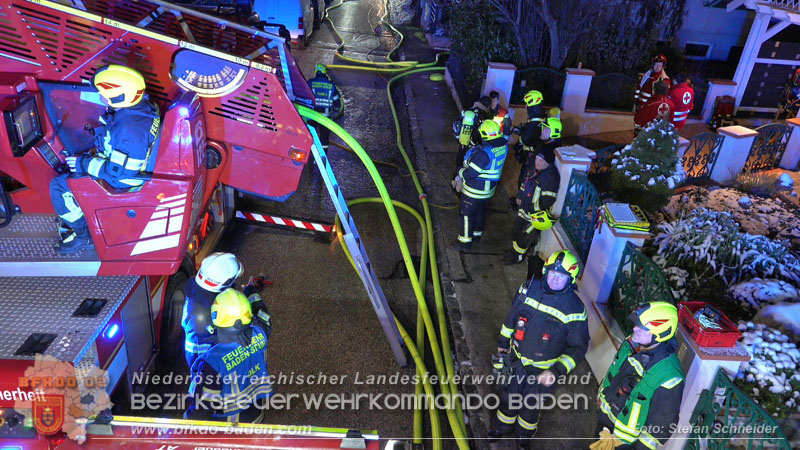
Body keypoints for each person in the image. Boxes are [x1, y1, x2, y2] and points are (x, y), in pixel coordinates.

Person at [50, 64, 161, 254]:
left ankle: (83, 235)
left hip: (122, 181)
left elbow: (118, 173)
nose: (100, 96)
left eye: (103, 93)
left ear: (118, 96)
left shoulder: (128, 131)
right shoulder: (141, 108)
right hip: (125, 168)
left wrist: (83, 163)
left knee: (59, 186)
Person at [489, 250, 589, 450]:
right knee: (509, 397)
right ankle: (501, 427)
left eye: (561, 276)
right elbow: (512, 318)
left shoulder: (575, 309)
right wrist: (502, 343)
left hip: (544, 372)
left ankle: (523, 436)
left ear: (570, 280)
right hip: (516, 362)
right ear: (545, 270)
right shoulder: (528, 288)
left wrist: (556, 371)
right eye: (551, 273)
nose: (554, 279)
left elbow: (578, 348)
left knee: (530, 407)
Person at [596, 302, 685, 450]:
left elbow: (660, 426)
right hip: (604, 424)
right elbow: (614, 372)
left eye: (642, 327)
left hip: (623, 444)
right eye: (636, 324)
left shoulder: (669, 376)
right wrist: (600, 398)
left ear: (660, 333)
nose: (634, 328)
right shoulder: (632, 344)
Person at [185, 288, 273, 423]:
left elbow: (203, 409)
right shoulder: (260, 333)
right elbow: (263, 315)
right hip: (257, 415)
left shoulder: (211, 362)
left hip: (231, 428)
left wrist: (186, 425)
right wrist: (252, 292)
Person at [182, 252, 271, 369]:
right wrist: (251, 293)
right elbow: (263, 325)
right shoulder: (213, 316)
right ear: (223, 284)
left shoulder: (196, 292)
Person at [503, 139, 560, 268]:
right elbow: (525, 183)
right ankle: (513, 252)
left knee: (525, 236)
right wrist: (520, 196)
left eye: (541, 161)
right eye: (537, 159)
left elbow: (547, 200)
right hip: (524, 208)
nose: (537, 162)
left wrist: (533, 209)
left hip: (534, 215)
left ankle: (517, 257)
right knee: (517, 230)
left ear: (548, 163)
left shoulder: (551, 178)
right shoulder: (535, 169)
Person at [454, 120, 508, 249]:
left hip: (474, 190)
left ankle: (464, 242)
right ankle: (477, 235)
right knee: (479, 212)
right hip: (488, 190)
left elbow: (471, 173)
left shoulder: (484, 154)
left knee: (466, 213)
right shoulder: (503, 146)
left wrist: (460, 172)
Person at [510, 90, 548, 194]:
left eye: (527, 104)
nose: (526, 107)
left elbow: (526, 139)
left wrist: (518, 144)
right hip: (535, 154)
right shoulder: (540, 118)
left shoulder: (534, 121)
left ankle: (520, 201)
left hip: (530, 156)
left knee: (524, 178)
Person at [452, 96, 492, 180]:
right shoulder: (486, 116)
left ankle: (455, 181)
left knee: (459, 162)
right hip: (475, 146)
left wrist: (459, 139)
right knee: (469, 165)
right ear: (488, 106)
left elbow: (456, 125)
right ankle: (462, 185)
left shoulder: (466, 112)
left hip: (463, 143)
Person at [307, 63, 343, 151]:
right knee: (324, 136)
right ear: (325, 72)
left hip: (312, 115)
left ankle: (309, 150)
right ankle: (323, 155)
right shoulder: (331, 85)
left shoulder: (310, 83)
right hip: (325, 117)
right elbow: (337, 101)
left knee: (310, 134)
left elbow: (304, 96)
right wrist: (336, 111)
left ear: (316, 71)